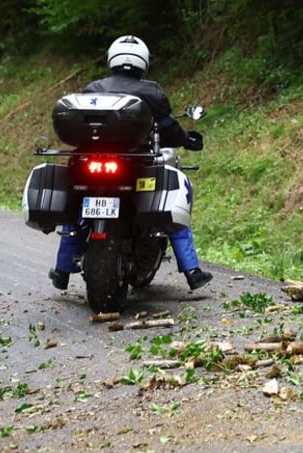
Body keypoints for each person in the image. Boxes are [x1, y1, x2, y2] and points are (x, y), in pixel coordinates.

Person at [49, 35, 212, 291]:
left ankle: (61, 270)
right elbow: (168, 128)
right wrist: (187, 138)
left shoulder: (93, 89)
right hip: (133, 166)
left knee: (77, 213)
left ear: (112, 58)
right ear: (143, 61)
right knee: (170, 213)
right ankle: (192, 270)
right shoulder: (151, 91)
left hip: (87, 164)